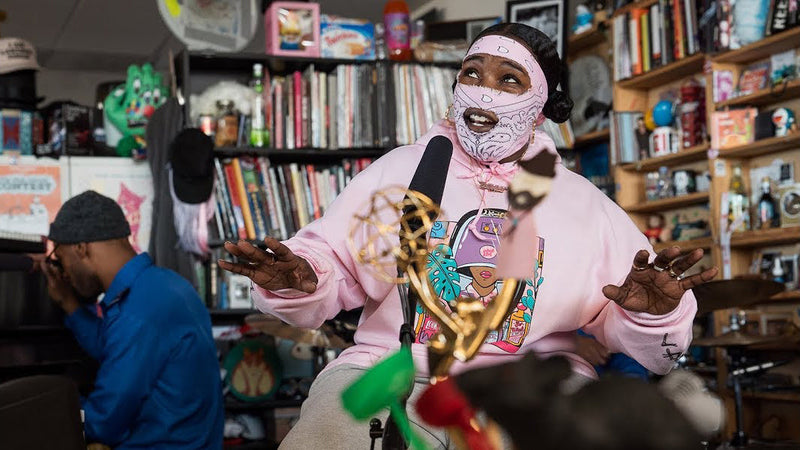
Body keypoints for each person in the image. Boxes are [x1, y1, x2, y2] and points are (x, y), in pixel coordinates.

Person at [220, 23, 717, 449]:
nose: (483, 90)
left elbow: (657, 353)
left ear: (538, 106)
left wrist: (654, 314)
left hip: (532, 381)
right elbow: (331, 265)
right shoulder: (400, 171)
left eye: (508, 80)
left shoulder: (583, 203)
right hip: (392, 367)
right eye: (472, 73)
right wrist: (301, 276)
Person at [41, 190, 224, 449]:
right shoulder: (162, 285)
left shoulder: (138, 313)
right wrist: (69, 305)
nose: (65, 273)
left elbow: (103, 421)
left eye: (61, 260)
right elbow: (114, 347)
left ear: (81, 249)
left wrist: (42, 408)